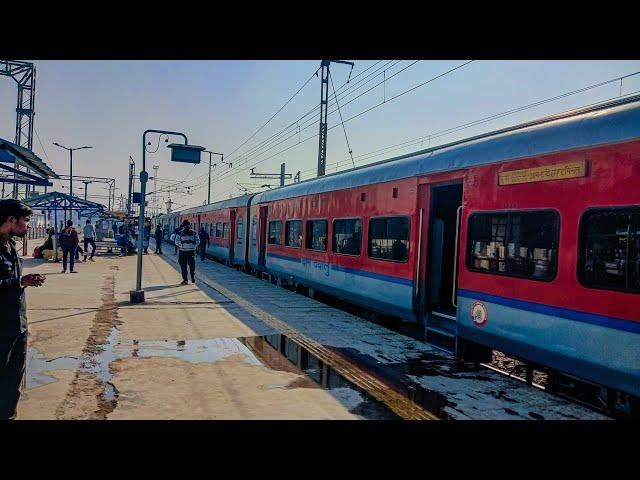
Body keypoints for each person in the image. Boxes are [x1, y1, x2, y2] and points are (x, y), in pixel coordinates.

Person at [0, 199, 46, 419]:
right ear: (11, 220)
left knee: (15, 377)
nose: (28, 226)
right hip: (1, 327)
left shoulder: (9, 244)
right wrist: (20, 282)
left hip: (18, 323)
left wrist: (23, 280)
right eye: (26, 221)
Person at [175, 221, 199, 285]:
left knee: (190, 266)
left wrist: (192, 242)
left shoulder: (194, 233)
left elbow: (198, 241)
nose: (187, 227)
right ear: (183, 226)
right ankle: (187, 279)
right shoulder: (180, 233)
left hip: (188, 251)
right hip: (185, 251)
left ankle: (191, 278)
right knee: (185, 266)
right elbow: (176, 241)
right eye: (186, 225)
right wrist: (182, 243)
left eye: (188, 225)